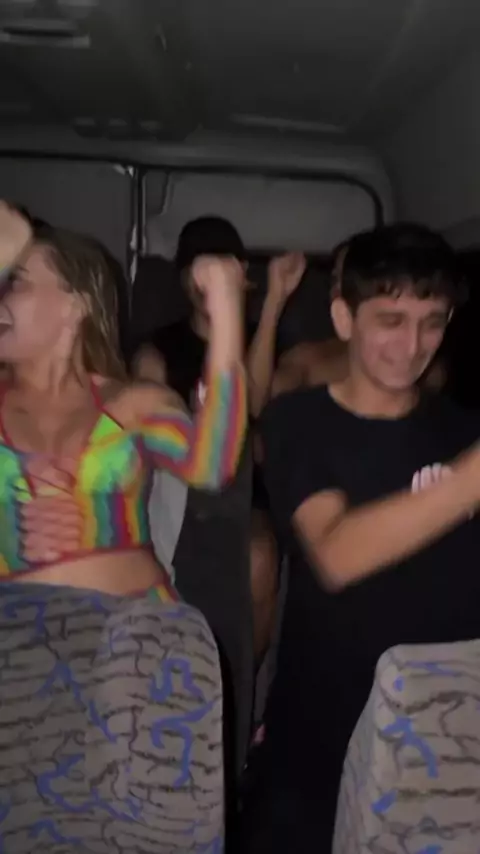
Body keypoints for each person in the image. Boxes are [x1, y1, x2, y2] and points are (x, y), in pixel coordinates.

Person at [239, 223, 480, 852]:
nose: (413, 345)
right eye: (391, 321)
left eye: (432, 322)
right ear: (344, 318)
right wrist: (468, 481)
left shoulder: (462, 432)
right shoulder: (297, 421)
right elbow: (337, 553)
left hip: (449, 731)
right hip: (328, 733)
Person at [0, 205, 246, 597]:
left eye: (15, 282)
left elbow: (213, 465)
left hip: (134, 625)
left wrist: (226, 308)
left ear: (75, 306)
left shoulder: (133, 405)